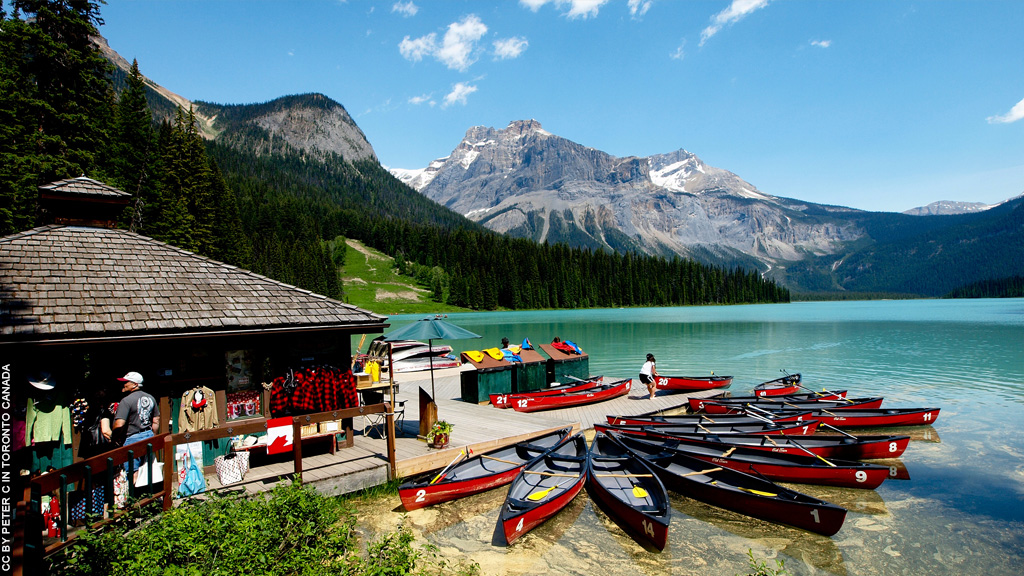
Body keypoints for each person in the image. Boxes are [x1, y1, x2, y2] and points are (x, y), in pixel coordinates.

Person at [112, 372, 160, 474]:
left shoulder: (126, 401)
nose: (124, 384)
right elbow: (156, 420)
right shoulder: (151, 398)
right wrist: (153, 436)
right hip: (148, 436)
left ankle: (134, 485)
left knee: (133, 472)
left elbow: (119, 424)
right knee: (147, 469)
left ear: (135, 384)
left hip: (132, 439)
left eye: (126, 382)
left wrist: (114, 437)